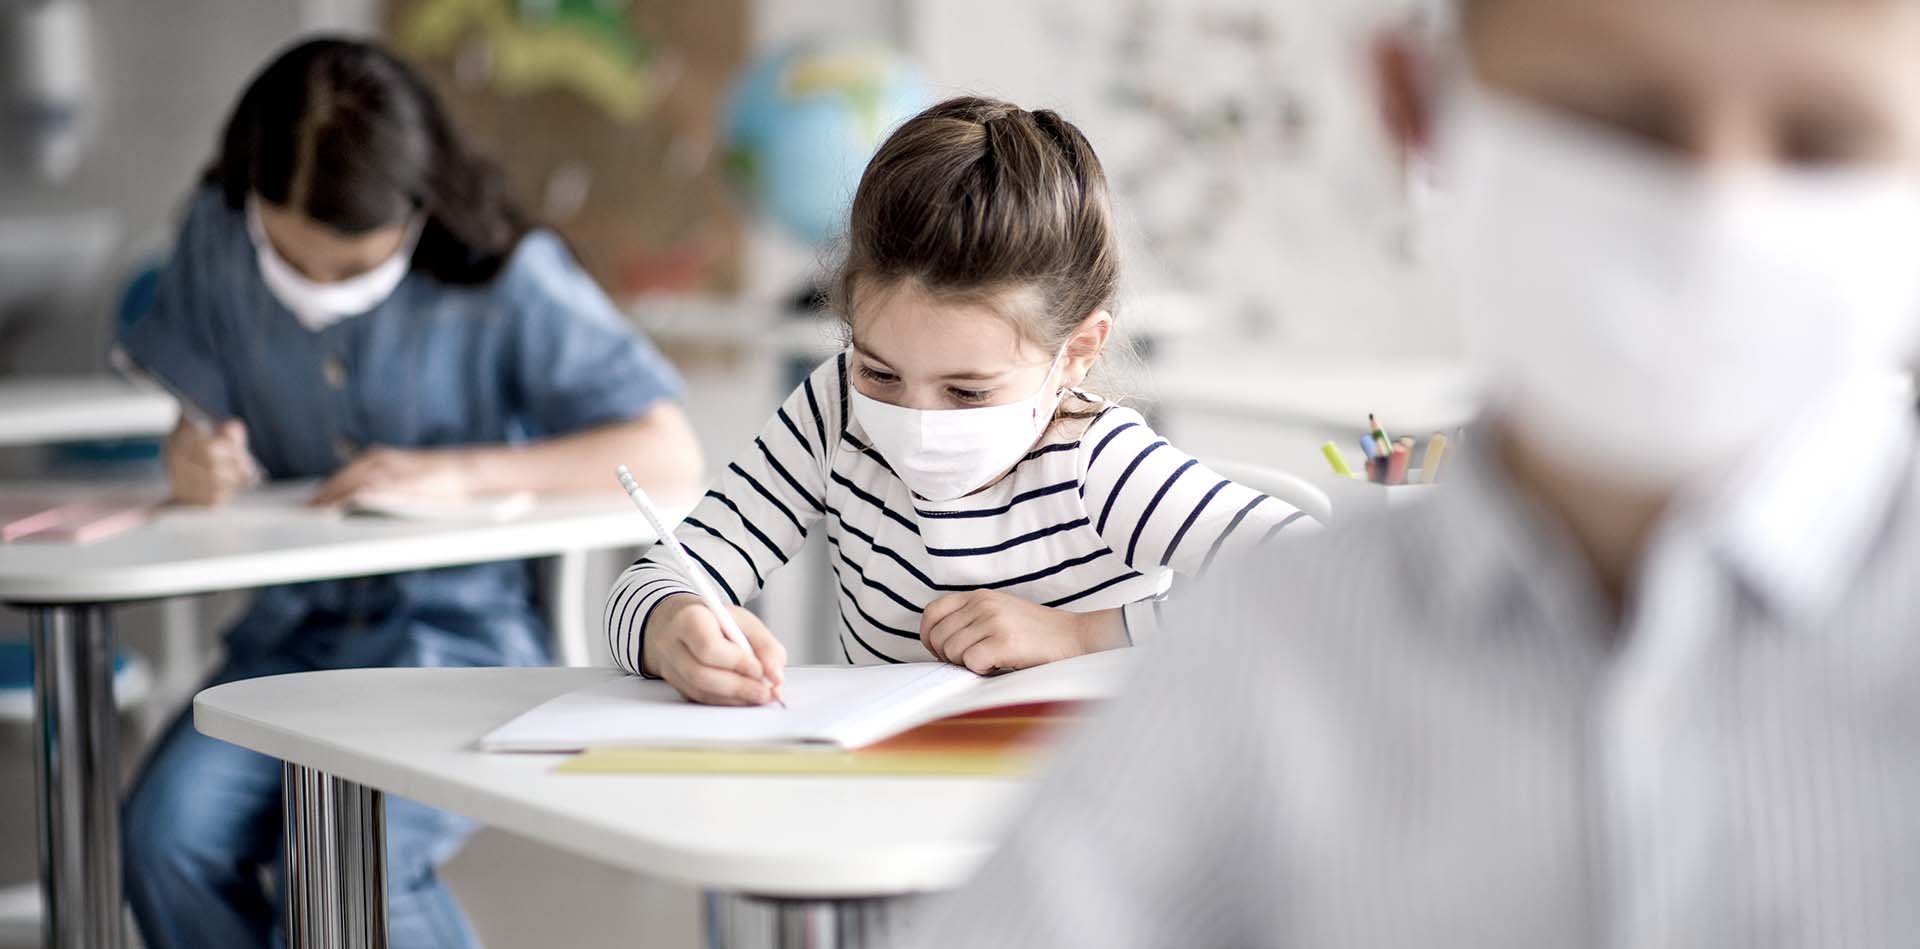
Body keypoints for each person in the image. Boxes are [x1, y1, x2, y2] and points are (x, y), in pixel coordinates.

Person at [912, 0, 1920, 946]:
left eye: (1825, 141)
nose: (1714, 214)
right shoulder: (1260, 655)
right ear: (1419, 108)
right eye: (1619, 121)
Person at [118, 38, 701, 949]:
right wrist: (194, 459)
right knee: (164, 838)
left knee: (354, 866)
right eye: (291, 260)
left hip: (459, 642)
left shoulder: (509, 276)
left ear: (417, 208)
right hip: (287, 640)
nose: (318, 291)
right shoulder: (216, 235)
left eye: (352, 270)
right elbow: (198, 417)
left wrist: (465, 470)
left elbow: (666, 450)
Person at [603, 97, 1312, 703]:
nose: (914, 422)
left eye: (967, 392)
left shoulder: (1097, 462)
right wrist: (673, 625)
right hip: (889, 809)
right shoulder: (832, 411)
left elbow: (1318, 580)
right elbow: (657, 576)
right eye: (880, 373)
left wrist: (1082, 634)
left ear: (1077, 352)